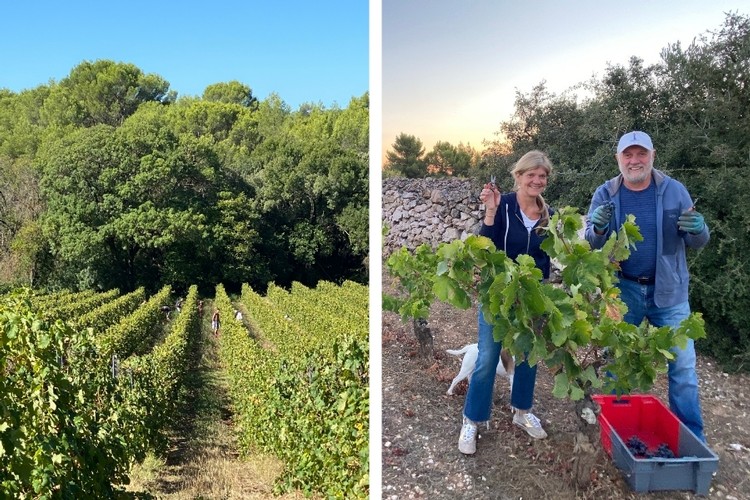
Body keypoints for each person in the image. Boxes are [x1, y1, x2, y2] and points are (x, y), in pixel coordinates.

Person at [585, 130, 709, 442]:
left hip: (669, 292)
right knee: (613, 361)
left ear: (652, 156)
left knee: (682, 369)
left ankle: (691, 438)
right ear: (618, 159)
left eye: (641, 154)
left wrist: (700, 228)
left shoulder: (674, 190)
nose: (634, 160)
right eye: (628, 154)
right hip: (622, 291)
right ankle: (613, 433)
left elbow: (697, 240)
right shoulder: (605, 193)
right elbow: (591, 241)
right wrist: (597, 227)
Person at [459, 150, 553, 455]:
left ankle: (522, 411)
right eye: (531, 175)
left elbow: (545, 256)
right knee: (487, 357)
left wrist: (539, 287)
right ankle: (472, 420)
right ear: (519, 176)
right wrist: (490, 211)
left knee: (527, 355)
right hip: (497, 293)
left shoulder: (546, 213)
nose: (537, 181)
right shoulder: (504, 204)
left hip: (529, 296)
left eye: (542, 176)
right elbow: (486, 246)